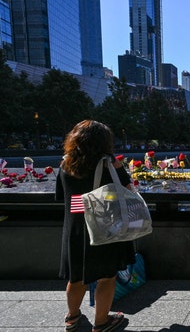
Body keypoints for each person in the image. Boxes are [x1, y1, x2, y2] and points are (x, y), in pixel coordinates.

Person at [56, 120, 136, 332]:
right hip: (103, 225)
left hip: (75, 228)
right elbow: (128, 192)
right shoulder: (109, 164)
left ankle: (72, 318)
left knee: (77, 276)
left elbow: (61, 196)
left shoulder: (65, 164)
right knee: (107, 276)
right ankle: (101, 322)